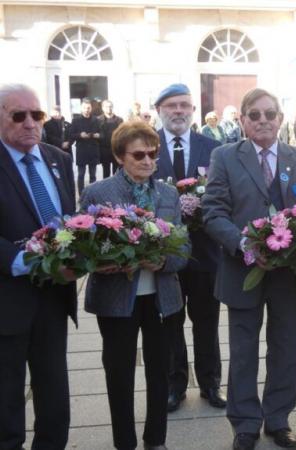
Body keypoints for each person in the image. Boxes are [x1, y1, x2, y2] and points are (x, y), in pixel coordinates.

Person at [202, 88, 296, 450]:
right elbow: (213, 212)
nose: (263, 120)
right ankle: (245, 422)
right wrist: (245, 245)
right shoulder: (224, 156)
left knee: (286, 347)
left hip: (289, 274)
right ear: (242, 121)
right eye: (254, 115)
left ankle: (278, 418)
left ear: (281, 119)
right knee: (242, 351)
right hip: (243, 270)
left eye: (270, 114)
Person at [80, 121, 190, 450]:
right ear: (119, 156)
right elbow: (80, 244)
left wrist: (163, 261)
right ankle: (124, 443)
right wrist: (105, 260)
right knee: (119, 372)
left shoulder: (168, 193)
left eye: (152, 153)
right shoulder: (98, 193)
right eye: (138, 154)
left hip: (162, 299)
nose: (147, 160)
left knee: (159, 372)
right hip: (116, 300)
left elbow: (184, 249)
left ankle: (156, 440)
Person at [0, 83, 77, 450]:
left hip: (54, 299)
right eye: (19, 115)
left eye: (37, 115)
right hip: (8, 301)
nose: (30, 123)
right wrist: (29, 262)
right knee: (6, 401)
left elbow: (70, 223)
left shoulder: (58, 159)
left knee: (54, 397)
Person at [150, 83, 226, 412]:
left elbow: (224, 195)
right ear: (159, 111)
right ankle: (174, 385)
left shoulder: (213, 147)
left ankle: (210, 383)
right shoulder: (146, 147)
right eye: (171, 106)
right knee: (170, 321)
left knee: (207, 321)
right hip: (163, 255)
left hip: (205, 251)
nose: (178, 111)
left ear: (193, 111)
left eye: (184, 105)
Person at [71, 98, 101, 194]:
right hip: (82, 150)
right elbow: (71, 135)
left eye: (88, 108)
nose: (87, 110)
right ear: (81, 109)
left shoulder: (96, 120)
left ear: (91, 108)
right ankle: (81, 194)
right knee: (81, 174)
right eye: (85, 108)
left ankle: (93, 194)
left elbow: (102, 134)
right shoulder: (75, 120)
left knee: (93, 175)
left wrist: (98, 135)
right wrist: (80, 135)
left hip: (93, 150)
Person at [98, 99, 124, 178]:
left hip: (116, 149)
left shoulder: (119, 120)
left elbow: (123, 134)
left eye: (110, 106)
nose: (109, 108)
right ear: (103, 108)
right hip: (104, 149)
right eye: (107, 107)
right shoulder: (98, 120)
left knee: (117, 172)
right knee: (106, 172)